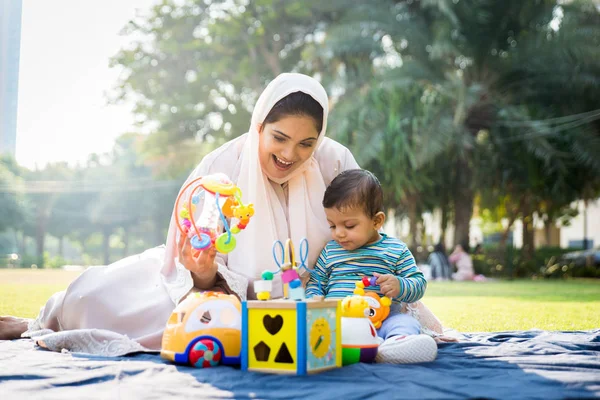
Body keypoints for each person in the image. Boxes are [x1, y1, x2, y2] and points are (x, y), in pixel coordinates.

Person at [0, 73, 446, 355]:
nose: (291, 154)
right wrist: (204, 272)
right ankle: (39, 320)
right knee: (93, 302)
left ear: (320, 138)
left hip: (322, 300)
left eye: (306, 143)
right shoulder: (222, 167)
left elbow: (363, 225)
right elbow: (193, 249)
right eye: (279, 138)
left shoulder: (334, 161)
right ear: (259, 127)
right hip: (221, 290)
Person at [305, 169, 438, 364]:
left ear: (376, 221)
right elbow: (316, 281)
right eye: (332, 226)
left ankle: (393, 345)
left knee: (405, 323)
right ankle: (368, 346)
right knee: (320, 328)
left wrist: (400, 285)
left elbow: (418, 283)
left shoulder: (395, 250)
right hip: (342, 321)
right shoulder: (330, 251)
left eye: (349, 226)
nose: (339, 234)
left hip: (384, 320)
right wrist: (314, 298)